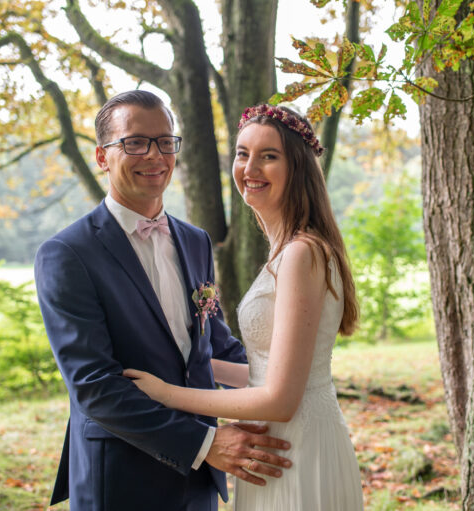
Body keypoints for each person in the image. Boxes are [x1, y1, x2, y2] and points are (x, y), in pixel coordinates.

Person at [34, 90, 292, 511]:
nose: (155, 155)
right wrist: (206, 444)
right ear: (102, 157)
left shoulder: (196, 241)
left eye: (165, 141)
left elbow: (213, 346)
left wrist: (289, 382)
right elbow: (94, 386)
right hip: (122, 475)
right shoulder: (67, 253)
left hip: (201, 479)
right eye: (135, 142)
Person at [124, 104, 364, 510]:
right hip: (283, 443)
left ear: (298, 168)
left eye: (268, 156)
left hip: (294, 448)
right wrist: (193, 363)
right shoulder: (292, 249)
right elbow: (268, 371)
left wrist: (168, 393)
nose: (250, 168)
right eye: (242, 153)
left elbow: (280, 400)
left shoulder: (300, 253)